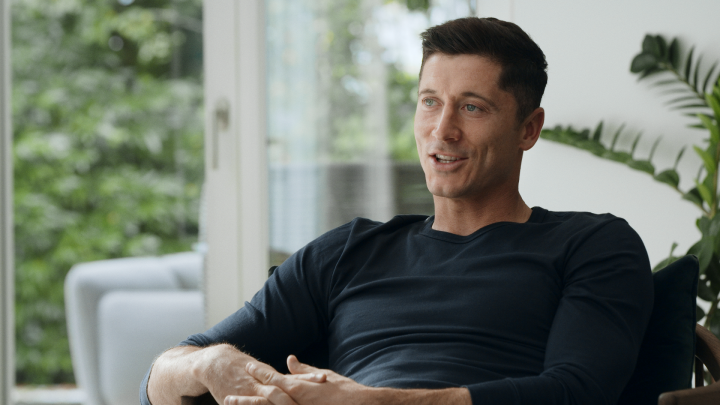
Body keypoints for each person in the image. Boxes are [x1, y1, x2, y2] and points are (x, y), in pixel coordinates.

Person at [142, 17, 653, 405]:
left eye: (472, 107)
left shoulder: (592, 245)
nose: (442, 130)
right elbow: (160, 380)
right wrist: (213, 362)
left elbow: (578, 390)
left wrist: (376, 402)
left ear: (528, 128)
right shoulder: (347, 251)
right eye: (430, 102)